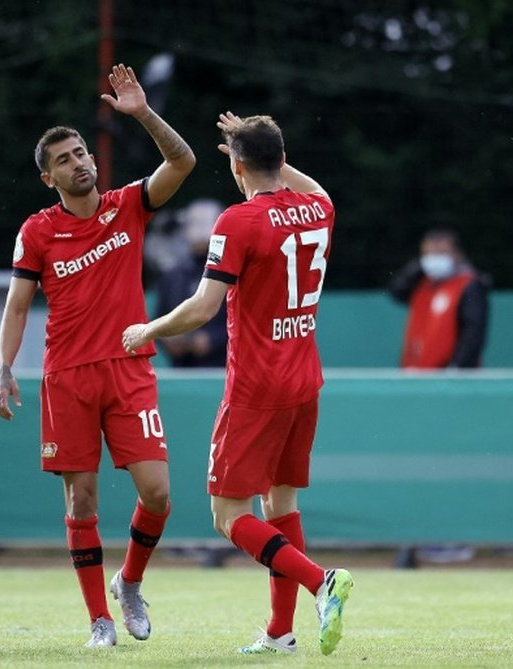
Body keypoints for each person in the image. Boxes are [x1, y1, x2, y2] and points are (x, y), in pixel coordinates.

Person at [121, 111, 353, 656]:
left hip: (256, 386)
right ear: (282, 159)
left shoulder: (239, 220)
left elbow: (204, 306)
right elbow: (311, 185)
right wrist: (259, 147)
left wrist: (146, 330)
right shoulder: (319, 208)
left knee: (229, 515)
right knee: (281, 504)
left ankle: (323, 583)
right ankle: (280, 632)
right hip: (304, 380)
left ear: (238, 165)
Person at [0, 63, 196, 648]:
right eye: (65, 159)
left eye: (82, 151)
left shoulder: (128, 205)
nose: (80, 162)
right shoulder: (37, 232)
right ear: (47, 177)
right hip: (68, 377)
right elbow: (17, 305)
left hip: (130, 367)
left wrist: (142, 113)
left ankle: (129, 584)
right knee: (81, 497)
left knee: (157, 492)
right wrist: (4, 369)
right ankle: (97, 621)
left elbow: (182, 163)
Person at [387, 228, 490, 369]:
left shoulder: (469, 286)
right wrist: (417, 266)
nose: (434, 259)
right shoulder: (422, 284)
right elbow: (396, 291)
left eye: (441, 253)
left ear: (458, 254)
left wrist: (457, 367)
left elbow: (473, 332)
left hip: (450, 373)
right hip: (417, 369)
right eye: (429, 254)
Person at [154, 199, 229, 367]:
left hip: (221, 367)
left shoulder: (231, 272)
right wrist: (167, 337)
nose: (199, 232)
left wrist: (214, 339)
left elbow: (245, 319)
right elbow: (159, 317)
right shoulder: (172, 275)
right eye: (194, 224)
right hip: (181, 369)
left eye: (204, 224)